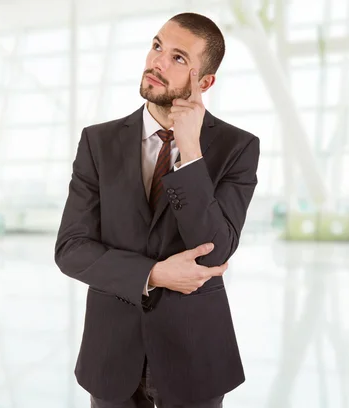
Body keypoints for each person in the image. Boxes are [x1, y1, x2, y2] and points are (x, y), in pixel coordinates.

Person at [54, 12, 260, 408]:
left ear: (205, 82)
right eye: (156, 46)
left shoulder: (237, 148)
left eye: (179, 58)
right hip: (111, 356)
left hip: (195, 358)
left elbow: (215, 251)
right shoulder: (99, 142)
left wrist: (193, 155)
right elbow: (71, 249)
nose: (158, 62)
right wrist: (153, 274)